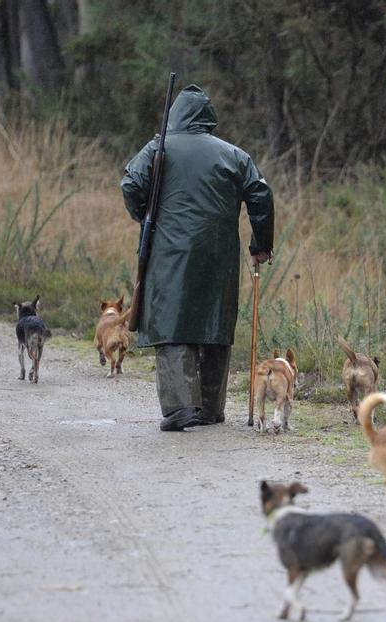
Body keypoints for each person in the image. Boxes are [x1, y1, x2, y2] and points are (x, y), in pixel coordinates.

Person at [121, 84, 274, 431]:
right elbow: (261, 193)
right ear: (208, 119)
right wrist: (260, 243)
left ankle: (179, 408)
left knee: (173, 322)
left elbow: (130, 184)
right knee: (214, 322)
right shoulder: (234, 154)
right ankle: (209, 408)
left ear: (176, 114)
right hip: (220, 252)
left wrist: (146, 215)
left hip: (170, 250)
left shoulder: (158, 147)